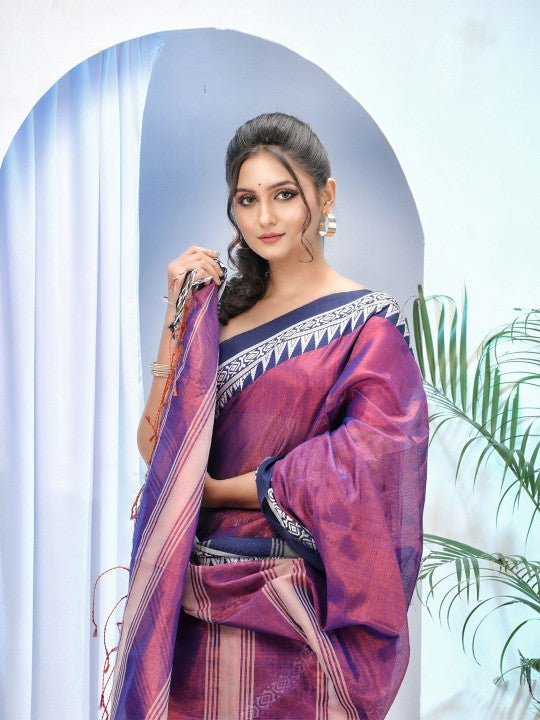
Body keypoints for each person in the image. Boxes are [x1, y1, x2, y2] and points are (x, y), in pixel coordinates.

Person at [106, 112, 429, 720]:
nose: (264, 218)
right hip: (194, 612)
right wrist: (176, 315)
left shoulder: (369, 325)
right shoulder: (221, 316)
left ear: (325, 197)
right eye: (247, 200)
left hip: (292, 616)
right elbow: (156, 447)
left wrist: (226, 489)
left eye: (283, 195)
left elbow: (370, 463)